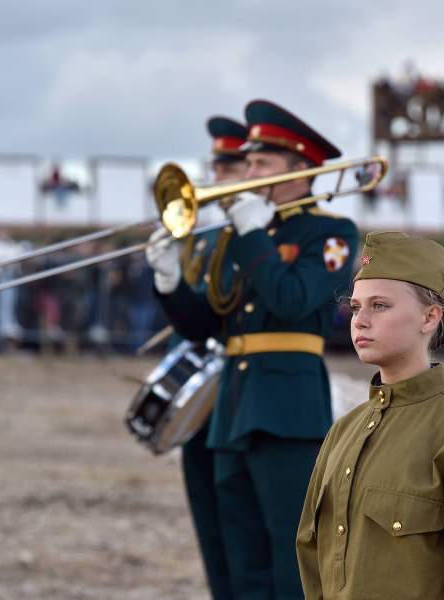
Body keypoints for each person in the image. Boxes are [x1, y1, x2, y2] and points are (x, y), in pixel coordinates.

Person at [147, 99, 358, 599]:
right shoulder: (241, 233)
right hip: (234, 408)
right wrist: (170, 280)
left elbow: (292, 300)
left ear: (301, 169)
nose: (250, 172)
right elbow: (205, 322)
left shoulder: (329, 232)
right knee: (240, 559)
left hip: (287, 408)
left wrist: (251, 235)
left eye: (263, 164)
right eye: (250, 163)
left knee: (290, 556)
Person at [296, 231, 444, 600]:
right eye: (356, 307)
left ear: (429, 317)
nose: (360, 320)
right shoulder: (343, 432)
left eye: (380, 306)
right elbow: (314, 567)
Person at [175, 115, 249, 599]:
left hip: (244, 389)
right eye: (216, 166)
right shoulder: (206, 233)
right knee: (211, 525)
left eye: (230, 166)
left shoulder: (253, 232)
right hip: (204, 391)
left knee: (245, 528)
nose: (216, 176)